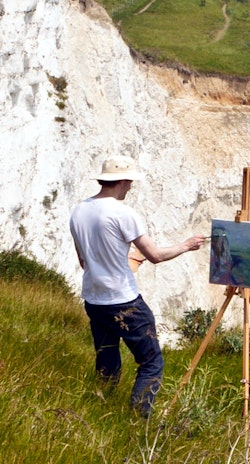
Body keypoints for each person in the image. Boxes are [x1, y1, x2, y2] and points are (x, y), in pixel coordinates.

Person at [67, 155, 205, 416]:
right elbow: (155, 255)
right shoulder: (123, 213)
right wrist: (187, 245)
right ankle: (138, 419)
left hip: (94, 299)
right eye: (130, 182)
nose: (130, 187)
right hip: (124, 300)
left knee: (106, 357)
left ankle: (102, 409)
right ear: (123, 181)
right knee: (151, 361)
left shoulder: (79, 210)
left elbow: (84, 261)